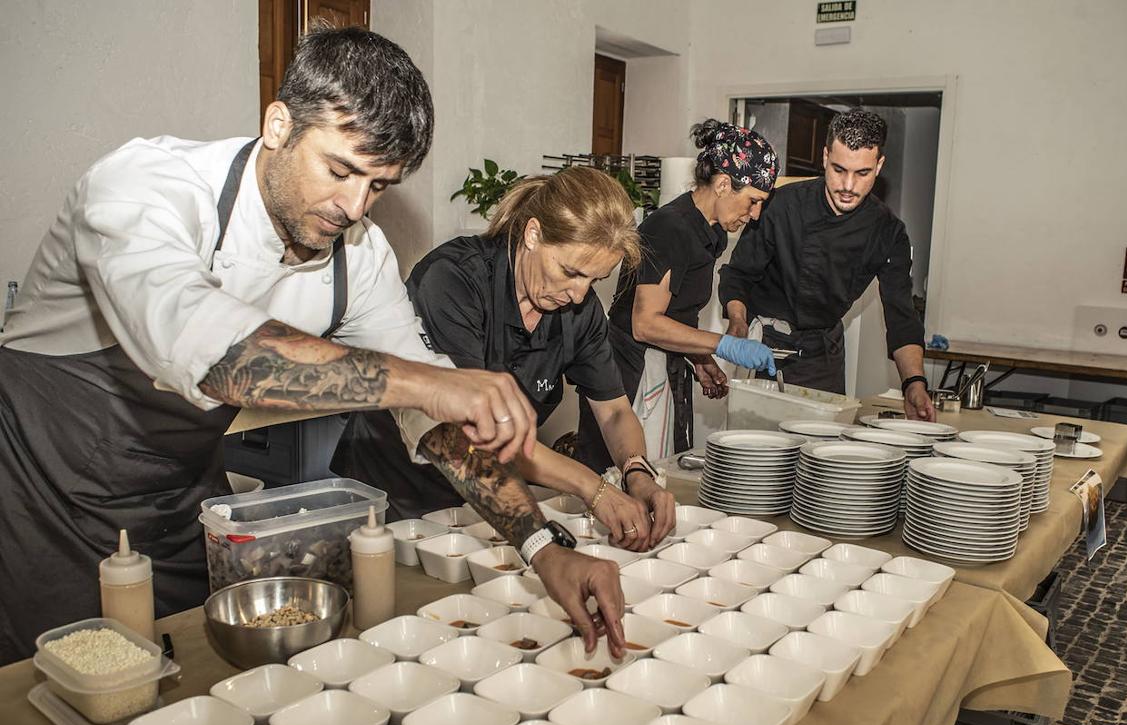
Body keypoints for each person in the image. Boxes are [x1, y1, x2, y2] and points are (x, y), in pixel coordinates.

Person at [0, 27, 624, 664]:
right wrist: (432, 381)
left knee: (188, 673)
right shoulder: (147, 186)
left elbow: (433, 424)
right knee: (54, 693)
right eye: (340, 170)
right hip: (45, 488)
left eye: (378, 185)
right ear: (278, 125)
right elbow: (217, 356)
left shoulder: (359, 257)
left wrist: (543, 548)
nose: (355, 207)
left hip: (182, 490)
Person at [333, 167, 677, 551]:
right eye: (570, 272)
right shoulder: (453, 281)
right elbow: (476, 431)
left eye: (593, 281)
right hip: (396, 493)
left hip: (492, 500)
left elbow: (613, 410)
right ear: (533, 234)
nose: (579, 295)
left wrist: (637, 472)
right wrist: (592, 487)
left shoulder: (579, 311)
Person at [575, 120, 778, 470]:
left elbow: (677, 311)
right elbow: (645, 324)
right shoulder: (670, 227)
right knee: (626, 478)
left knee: (666, 473)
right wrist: (722, 344)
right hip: (629, 375)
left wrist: (700, 359)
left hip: (665, 367)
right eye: (753, 201)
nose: (755, 214)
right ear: (724, 184)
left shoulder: (708, 232)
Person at [718, 108, 934, 420]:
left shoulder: (887, 231)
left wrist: (914, 382)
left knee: (819, 455)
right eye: (839, 169)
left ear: (879, 166)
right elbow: (738, 274)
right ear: (824, 157)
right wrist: (737, 323)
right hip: (764, 349)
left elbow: (901, 314)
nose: (848, 186)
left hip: (823, 357)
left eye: (862, 173)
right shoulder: (781, 205)